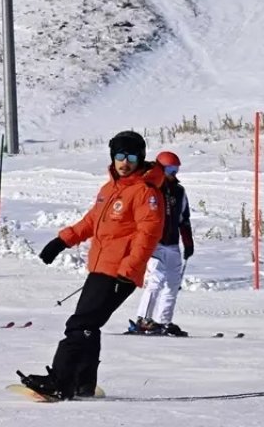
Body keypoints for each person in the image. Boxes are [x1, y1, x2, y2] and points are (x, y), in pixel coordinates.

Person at [18, 130, 165, 400]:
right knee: (88, 326)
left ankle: (61, 381)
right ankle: (83, 382)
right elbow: (91, 222)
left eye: (132, 157)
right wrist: (62, 241)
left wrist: (128, 271)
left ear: (141, 158)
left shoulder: (145, 193)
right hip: (101, 268)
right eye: (120, 156)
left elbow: (148, 235)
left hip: (119, 273)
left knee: (80, 324)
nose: (125, 163)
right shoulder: (109, 189)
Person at [128, 151, 194, 336]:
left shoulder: (179, 192)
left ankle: (164, 321)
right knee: (156, 280)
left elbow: (184, 219)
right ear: (160, 169)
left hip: (172, 244)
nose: (174, 173)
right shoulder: (150, 188)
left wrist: (188, 242)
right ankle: (143, 319)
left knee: (172, 283)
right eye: (170, 169)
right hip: (154, 243)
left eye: (176, 169)